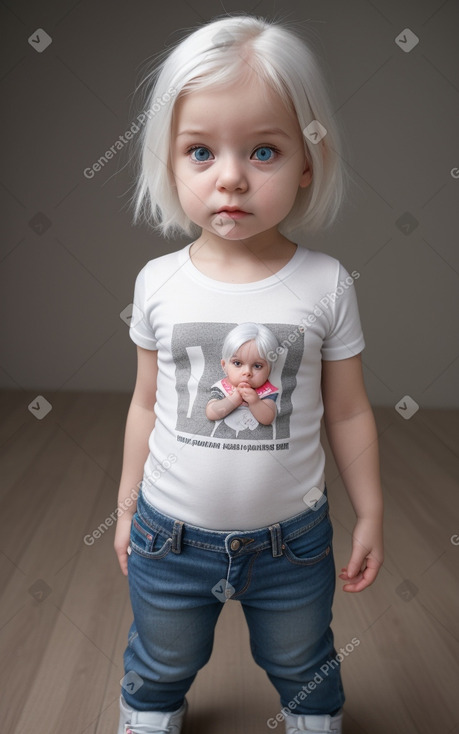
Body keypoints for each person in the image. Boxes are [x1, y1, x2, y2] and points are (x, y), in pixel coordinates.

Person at [114, 14, 384, 734]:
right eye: (200, 152)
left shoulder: (325, 284)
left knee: (303, 663)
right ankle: (147, 715)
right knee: (159, 661)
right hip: (167, 538)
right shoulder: (158, 282)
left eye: (261, 150)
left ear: (305, 164)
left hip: (289, 545)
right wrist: (124, 509)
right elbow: (147, 405)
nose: (229, 176)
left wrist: (370, 511)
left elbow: (350, 412)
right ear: (168, 165)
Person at [206, 322, 280, 435]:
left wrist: (255, 402)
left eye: (257, 366)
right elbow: (211, 413)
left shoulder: (266, 391)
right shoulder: (222, 387)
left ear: (270, 369)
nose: (247, 372)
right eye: (237, 363)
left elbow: (268, 418)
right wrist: (234, 399)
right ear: (224, 366)